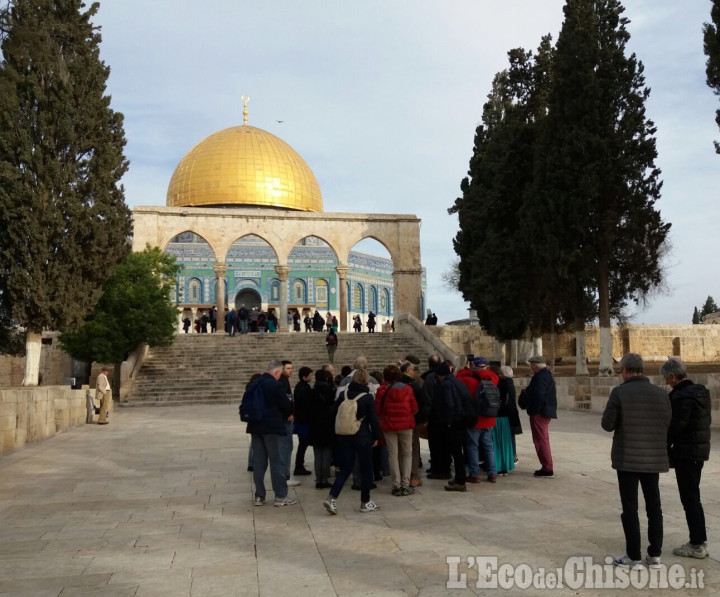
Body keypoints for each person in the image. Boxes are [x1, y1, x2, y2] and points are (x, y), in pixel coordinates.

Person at [602, 353, 671, 569]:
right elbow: (668, 422)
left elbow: (607, 424)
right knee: (654, 506)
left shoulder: (619, 393)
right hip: (653, 457)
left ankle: (633, 555)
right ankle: (655, 554)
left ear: (624, 370)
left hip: (628, 458)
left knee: (630, 507)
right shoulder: (661, 394)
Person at [660, 357, 711, 559]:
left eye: (667, 378)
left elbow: (675, 427)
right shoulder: (700, 392)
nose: (666, 382)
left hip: (686, 453)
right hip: (698, 452)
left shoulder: (681, 397)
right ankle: (700, 540)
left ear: (673, 376)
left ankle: (697, 544)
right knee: (693, 498)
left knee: (690, 499)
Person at [322, 368, 381, 514]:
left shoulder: (344, 394)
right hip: (362, 436)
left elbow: (332, 412)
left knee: (346, 468)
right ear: (366, 380)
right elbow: (373, 419)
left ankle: (332, 497)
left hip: (344, 435)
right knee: (366, 469)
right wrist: (376, 437)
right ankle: (365, 501)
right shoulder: (367, 397)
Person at [245, 361, 297, 507]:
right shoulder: (275, 385)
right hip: (272, 429)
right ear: (276, 372)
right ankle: (280, 496)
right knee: (277, 462)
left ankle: (259, 496)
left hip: (255, 427)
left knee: (259, 463)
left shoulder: (255, 383)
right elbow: (287, 406)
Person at [375, 364, 418, 496]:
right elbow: (415, 408)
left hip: (389, 426)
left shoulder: (381, 390)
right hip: (406, 425)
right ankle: (405, 484)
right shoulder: (407, 388)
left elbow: (377, 410)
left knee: (393, 454)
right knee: (406, 454)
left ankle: (396, 485)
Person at [457, 357, 499, 483]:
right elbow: (492, 373)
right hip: (489, 418)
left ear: (472, 365)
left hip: (474, 419)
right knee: (488, 446)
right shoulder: (493, 378)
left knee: (472, 446)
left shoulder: (467, 379)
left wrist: (466, 369)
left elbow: (457, 378)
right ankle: (492, 473)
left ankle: (474, 474)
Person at [519, 355, 557, 477]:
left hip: (540, 413)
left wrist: (533, 410)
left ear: (535, 365)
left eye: (531, 365)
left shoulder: (540, 377)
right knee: (542, 439)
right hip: (545, 411)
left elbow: (539, 395)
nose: (531, 367)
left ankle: (547, 467)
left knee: (541, 440)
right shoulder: (546, 375)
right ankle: (547, 465)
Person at [435, 362, 470, 492]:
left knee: (456, 452)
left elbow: (449, 404)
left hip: (454, 422)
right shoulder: (457, 382)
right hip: (461, 420)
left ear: (440, 375)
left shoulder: (445, 385)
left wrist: (448, 421)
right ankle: (459, 478)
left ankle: (460, 481)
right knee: (458, 452)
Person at [308, 369, 336, 489]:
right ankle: (324, 479)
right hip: (327, 425)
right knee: (326, 454)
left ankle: (318, 479)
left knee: (317, 454)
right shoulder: (330, 391)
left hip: (315, 425)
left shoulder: (312, 391)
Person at [278, 360, 299, 486]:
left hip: (286, 419)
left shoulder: (284, 381)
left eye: (291, 368)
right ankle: (285, 476)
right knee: (286, 448)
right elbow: (284, 400)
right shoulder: (282, 382)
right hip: (285, 420)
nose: (290, 370)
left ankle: (285, 475)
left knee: (287, 447)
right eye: (288, 368)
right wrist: (288, 414)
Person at [496, 365, 522, 467]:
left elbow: (503, 400)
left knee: (507, 435)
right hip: (511, 413)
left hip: (505, 414)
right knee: (510, 435)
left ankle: (511, 456)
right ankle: (513, 455)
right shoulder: (510, 382)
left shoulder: (503, 383)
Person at [293, 367, 314, 476]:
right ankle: (299, 466)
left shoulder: (301, 386)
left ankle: (299, 465)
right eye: (310, 375)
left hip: (301, 419)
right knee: (303, 443)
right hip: (303, 420)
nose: (311, 377)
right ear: (304, 376)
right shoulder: (303, 388)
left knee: (303, 443)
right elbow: (306, 405)